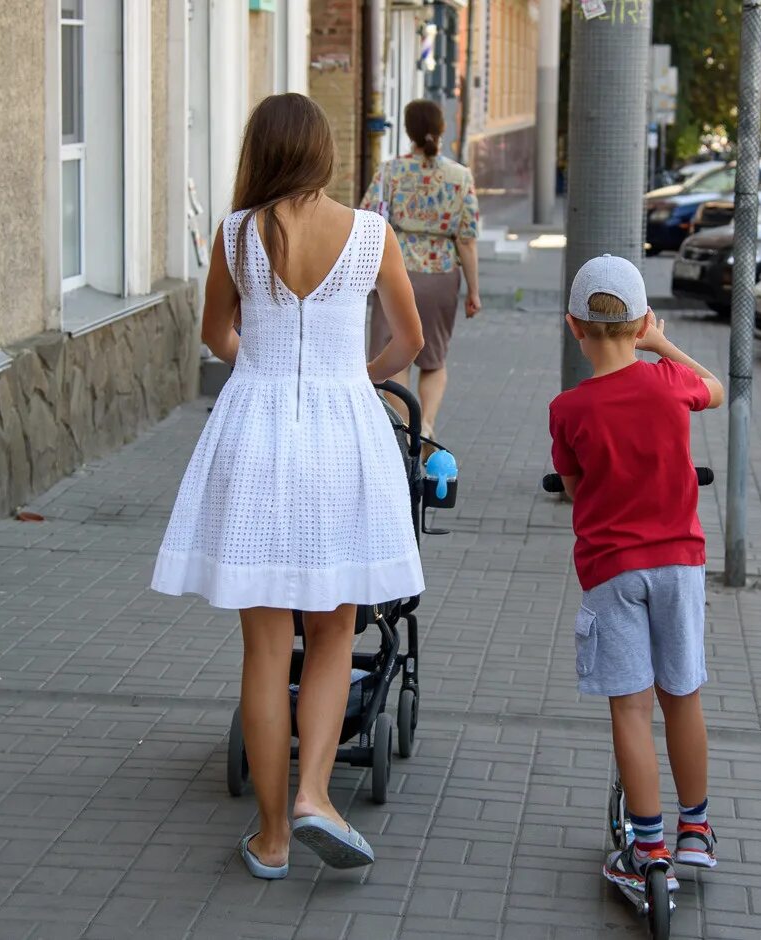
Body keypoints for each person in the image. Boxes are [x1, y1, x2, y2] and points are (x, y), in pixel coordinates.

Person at [151, 93, 426, 880]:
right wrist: (356, 379)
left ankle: (271, 840)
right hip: (344, 439)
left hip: (257, 434)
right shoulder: (369, 234)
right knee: (335, 632)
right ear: (321, 152)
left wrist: (266, 371)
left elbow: (213, 333)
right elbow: (408, 339)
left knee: (266, 650)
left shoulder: (233, 235)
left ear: (260, 153)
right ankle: (314, 794)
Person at [548, 255, 726, 893]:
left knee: (631, 706)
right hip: (680, 566)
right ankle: (696, 832)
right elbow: (717, 388)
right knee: (684, 695)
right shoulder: (668, 381)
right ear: (642, 321)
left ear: (575, 328)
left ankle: (647, 850)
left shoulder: (568, 410)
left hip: (612, 572)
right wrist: (660, 342)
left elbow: (573, 487)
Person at [362, 99, 481, 445]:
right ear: (441, 130)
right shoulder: (460, 177)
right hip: (442, 276)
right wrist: (473, 291)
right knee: (434, 358)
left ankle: (403, 433)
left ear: (408, 131)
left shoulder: (389, 172)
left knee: (396, 354)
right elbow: (468, 240)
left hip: (394, 274)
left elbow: (367, 219)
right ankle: (426, 426)